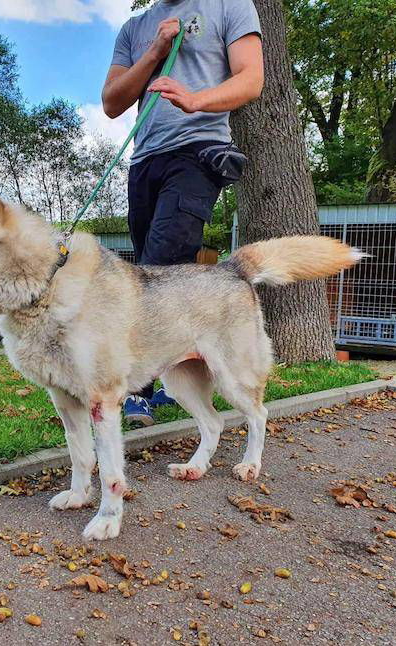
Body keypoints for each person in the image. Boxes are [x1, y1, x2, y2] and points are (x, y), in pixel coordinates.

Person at [102, 0, 265, 427]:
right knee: (147, 274)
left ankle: (136, 392)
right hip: (144, 161)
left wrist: (196, 100)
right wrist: (154, 52)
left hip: (198, 152)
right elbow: (111, 102)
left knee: (159, 266)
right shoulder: (134, 28)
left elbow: (251, 79)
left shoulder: (229, 5)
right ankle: (184, 377)